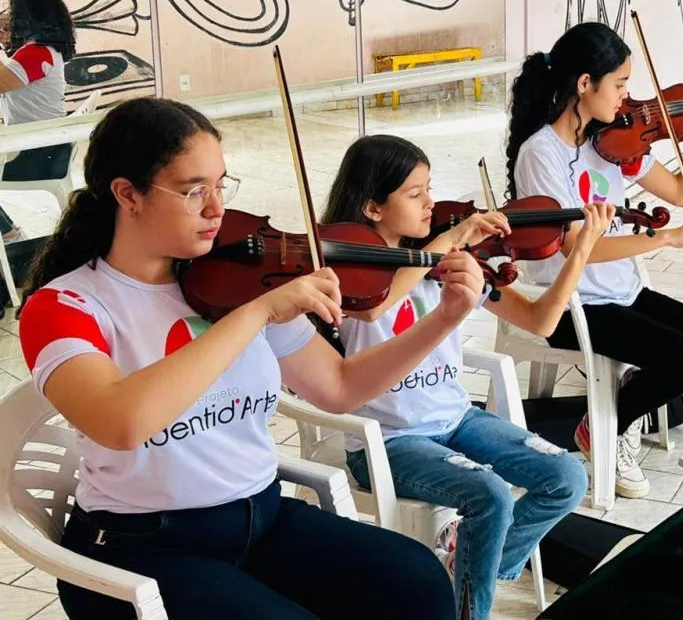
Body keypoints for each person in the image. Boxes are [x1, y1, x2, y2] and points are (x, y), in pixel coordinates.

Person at [16, 98, 482, 619]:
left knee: (417, 580)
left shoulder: (233, 280)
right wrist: (255, 314)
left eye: (221, 185)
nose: (216, 209)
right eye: (194, 191)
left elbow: (339, 386)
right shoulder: (66, 305)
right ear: (128, 194)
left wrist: (444, 319)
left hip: (262, 519)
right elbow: (120, 422)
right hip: (144, 547)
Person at [320, 134, 609, 620]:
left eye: (429, 189)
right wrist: (448, 241)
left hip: (456, 419)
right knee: (491, 496)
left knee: (566, 477)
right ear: (372, 207)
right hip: (387, 441)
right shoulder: (346, 270)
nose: (431, 204)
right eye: (415, 194)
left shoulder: (450, 265)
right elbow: (377, 308)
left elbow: (540, 321)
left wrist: (579, 253)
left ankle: (470, 566)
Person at [505, 21, 683, 499]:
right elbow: (577, 246)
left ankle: (630, 398)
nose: (629, 97)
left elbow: (681, 190)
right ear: (585, 83)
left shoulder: (613, 142)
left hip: (623, 292)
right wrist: (665, 238)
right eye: (620, 84)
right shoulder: (540, 153)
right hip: (571, 303)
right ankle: (606, 427)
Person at [0, 0, 78, 243]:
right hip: (45, 150)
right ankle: (8, 231)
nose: (8, 14)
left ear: (24, 13)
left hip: (34, 156)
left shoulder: (35, 53)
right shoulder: (43, 50)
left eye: (12, 7)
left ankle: (8, 233)